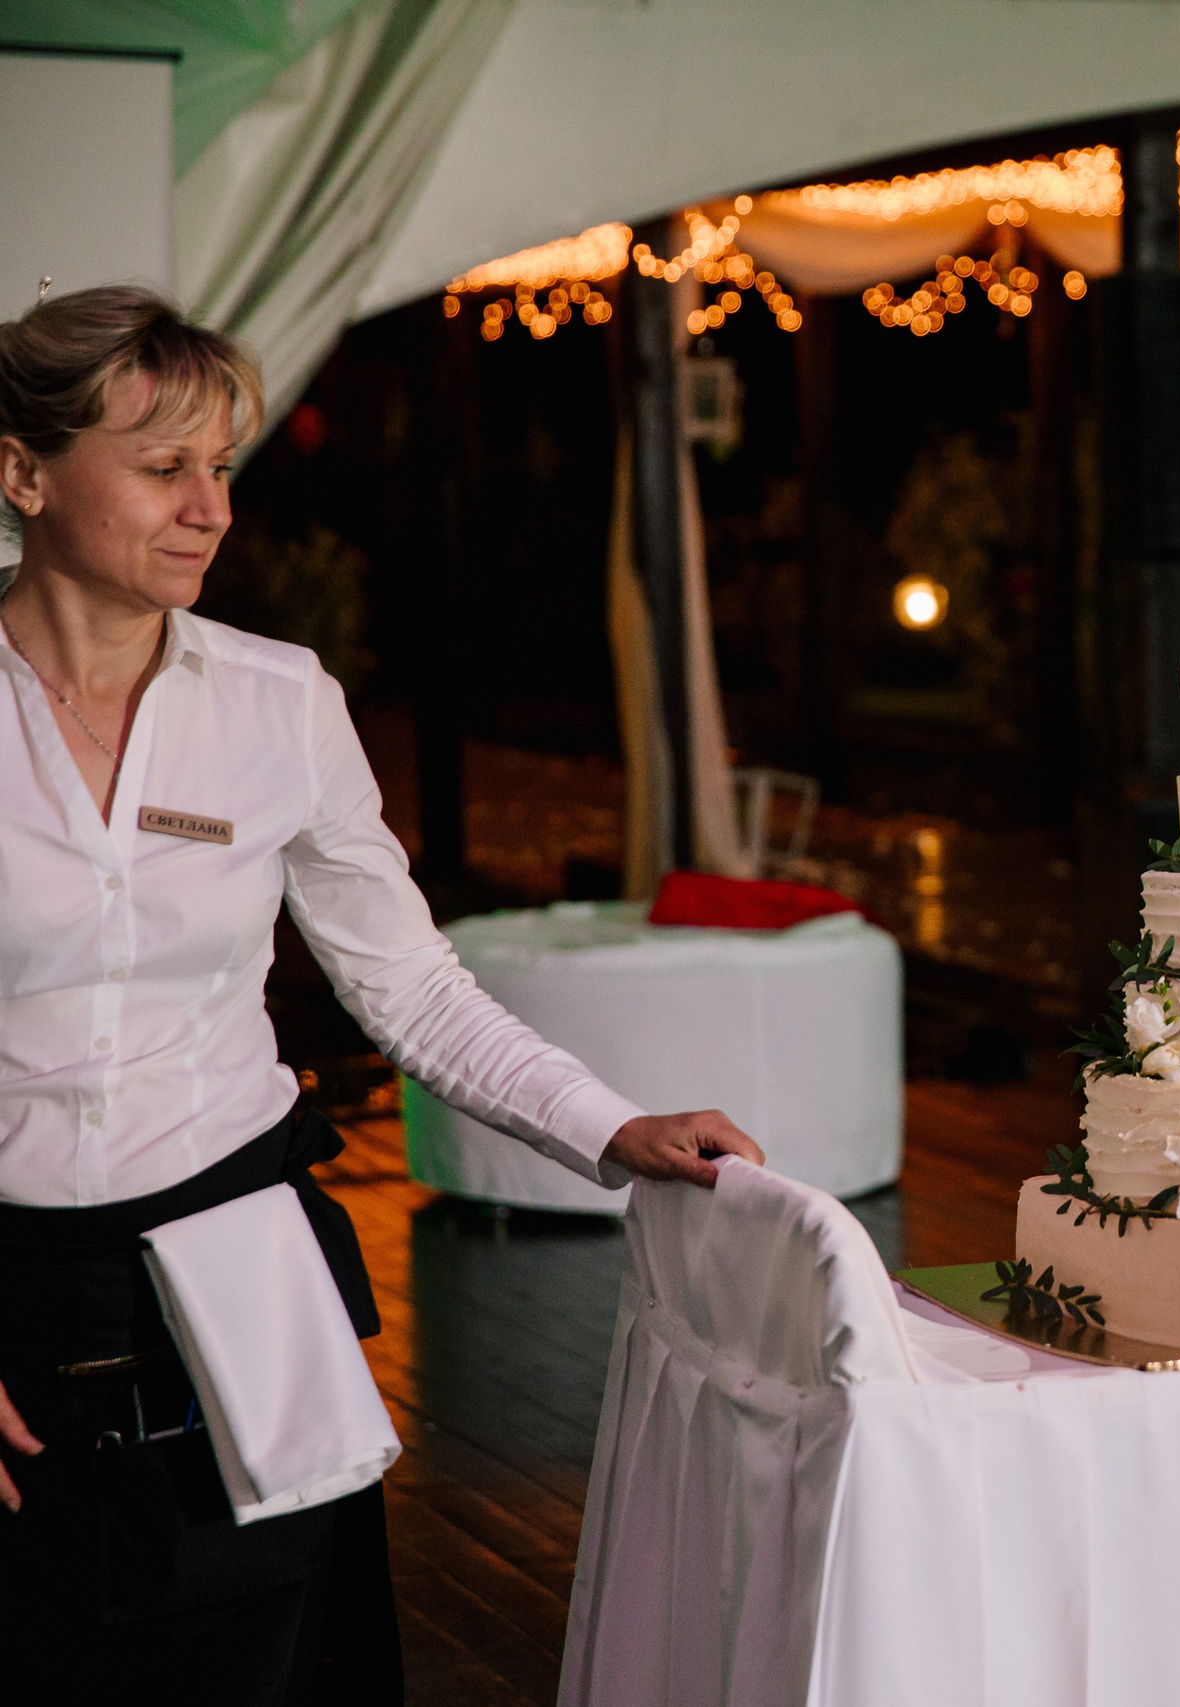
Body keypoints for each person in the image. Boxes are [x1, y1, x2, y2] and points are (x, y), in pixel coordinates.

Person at [0, 286, 766, 1701]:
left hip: (235, 1283)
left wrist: (611, 1130)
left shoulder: (279, 701)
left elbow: (411, 987)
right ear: (23, 470)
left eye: (222, 468)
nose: (210, 508)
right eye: (164, 466)